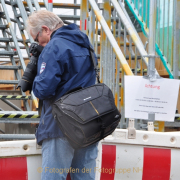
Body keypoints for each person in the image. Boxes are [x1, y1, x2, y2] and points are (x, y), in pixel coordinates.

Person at [26, 10, 98, 180]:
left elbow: (43, 89)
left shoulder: (53, 47)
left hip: (60, 125)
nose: (38, 43)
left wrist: (35, 76)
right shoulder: (85, 43)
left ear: (45, 29)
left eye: (37, 38)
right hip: (88, 124)